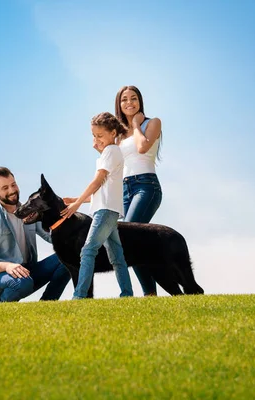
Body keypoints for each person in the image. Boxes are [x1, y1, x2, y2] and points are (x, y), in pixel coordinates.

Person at [61, 112, 133, 299]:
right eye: (94, 136)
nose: (96, 139)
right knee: (117, 258)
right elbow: (102, 192)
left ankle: (79, 295)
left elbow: (97, 182)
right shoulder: (109, 154)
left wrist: (76, 204)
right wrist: (77, 199)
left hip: (105, 212)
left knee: (88, 251)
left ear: (113, 133)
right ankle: (127, 294)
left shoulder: (111, 151)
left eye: (100, 135)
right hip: (109, 210)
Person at [0, 167, 71, 302]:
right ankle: (2, 306)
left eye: (13, 185)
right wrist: (7, 266)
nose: (12, 190)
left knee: (69, 255)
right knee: (21, 282)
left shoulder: (30, 212)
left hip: (27, 271)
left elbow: (51, 236)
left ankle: (47, 304)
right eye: (5, 188)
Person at [115, 85, 163, 297]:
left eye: (133, 98)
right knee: (132, 243)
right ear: (119, 104)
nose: (129, 103)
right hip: (125, 190)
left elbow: (142, 147)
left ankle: (149, 293)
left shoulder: (152, 123)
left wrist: (135, 125)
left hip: (146, 186)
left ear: (140, 101)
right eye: (124, 99)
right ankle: (150, 294)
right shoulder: (118, 135)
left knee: (127, 239)